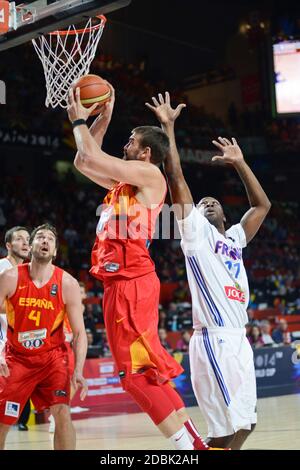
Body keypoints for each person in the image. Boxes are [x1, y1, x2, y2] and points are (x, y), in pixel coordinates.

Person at [67, 83, 213, 450]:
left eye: (130, 140)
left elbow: (95, 157)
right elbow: (84, 161)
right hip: (122, 284)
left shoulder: (150, 176)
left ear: (145, 153)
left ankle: (189, 449)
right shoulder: (123, 185)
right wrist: (104, 118)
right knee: (146, 372)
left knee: (134, 376)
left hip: (131, 280)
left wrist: (79, 121)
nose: (125, 145)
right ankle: (196, 443)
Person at [146, 92, 271, 449]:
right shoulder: (195, 235)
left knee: (246, 424)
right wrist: (167, 128)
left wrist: (240, 163)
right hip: (214, 338)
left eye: (213, 201)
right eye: (201, 204)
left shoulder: (234, 238)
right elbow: (176, 178)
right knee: (224, 431)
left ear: (226, 215)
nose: (207, 202)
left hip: (239, 338)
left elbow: (262, 205)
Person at [0, 223, 88, 450]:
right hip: (17, 358)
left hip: (53, 358)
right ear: (31, 246)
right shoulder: (10, 277)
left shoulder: (67, 283)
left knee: (62, 411)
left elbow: (79, 333)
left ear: (56, 251)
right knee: (3, 420)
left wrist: (78, 370)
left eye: (50, 238)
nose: (45, 241)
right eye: (40, 237)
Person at [0, 226, 31, 432]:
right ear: (9, 245)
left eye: (28, 239)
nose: (25, 243)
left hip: (18, 338)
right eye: (19, 239)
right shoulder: (2, 267)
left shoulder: (29, 271)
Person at [48, 281, 87, 433]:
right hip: (59, 340)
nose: (81, 294)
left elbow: (78, 330)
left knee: (73, 381)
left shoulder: (81, 307)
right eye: (80, 291)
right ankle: (55, 415)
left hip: (69, 341)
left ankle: (58, 412)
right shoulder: (67, 301)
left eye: (82, 292)